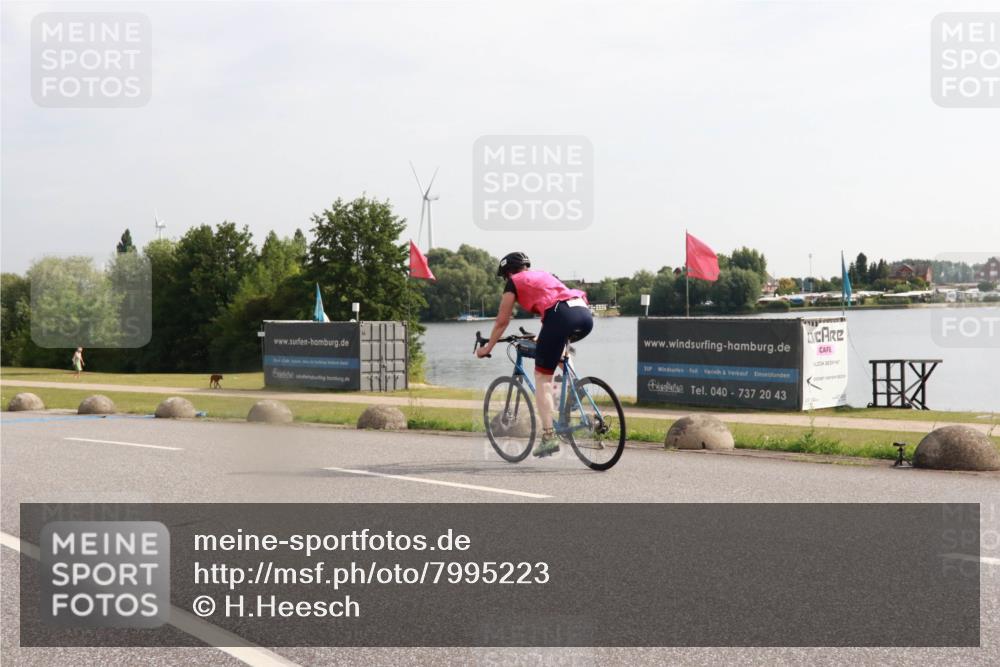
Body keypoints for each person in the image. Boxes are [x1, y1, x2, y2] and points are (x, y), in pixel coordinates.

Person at [476, 252, 593, 457]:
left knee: (541, 377)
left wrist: (487, 348)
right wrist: (543, 337)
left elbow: (502, 321)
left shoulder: (514, 281)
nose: (506, 280)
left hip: (561, 315)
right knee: (558, 353)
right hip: (583, 313)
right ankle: (576, 389)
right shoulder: (542, 275)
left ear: (508, 272)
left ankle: (549, 437)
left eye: (505, 276)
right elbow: (556, 305)